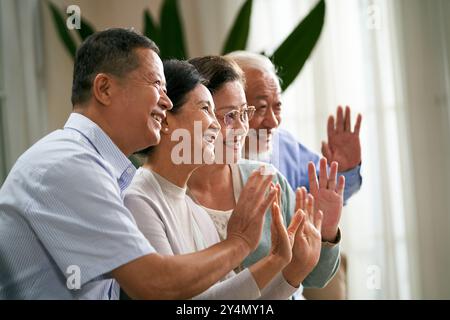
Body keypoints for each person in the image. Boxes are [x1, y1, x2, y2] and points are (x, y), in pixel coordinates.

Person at [0, 29, 277, 300]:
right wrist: (238, 242)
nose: (165, 102)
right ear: (104, 89)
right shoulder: (70, 164)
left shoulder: (102, 168)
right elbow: (155, 285)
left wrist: (284, 266)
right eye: (156, 84)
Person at [124, 59, 324, 299]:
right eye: (207, 110)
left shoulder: (192, 209)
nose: (213, 124)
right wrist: (243, 245)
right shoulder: (137, 199)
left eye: (243, 114)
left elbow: (227, 300)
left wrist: (285, 266)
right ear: (166, 119)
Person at [187, 56, 344, 294]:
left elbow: (314, 277)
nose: (242, 128)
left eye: (244, 113)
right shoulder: (171, 196)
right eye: (229, 116)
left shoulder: (269, 180)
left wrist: (327, 233)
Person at [225, 51, 363, 202]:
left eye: (277, 107)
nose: (273, 122)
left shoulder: (286, 145)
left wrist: (344, 169)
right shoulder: (206, 157)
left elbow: (323, 200)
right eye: (261, 107)